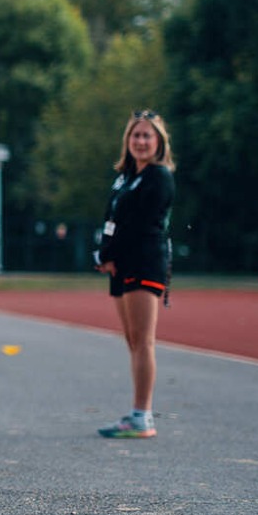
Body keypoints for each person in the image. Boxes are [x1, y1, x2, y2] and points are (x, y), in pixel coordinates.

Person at [94, 109, 176, 439]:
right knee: (132, 340)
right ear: (127, 140)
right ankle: (137, 414)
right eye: (135, 135)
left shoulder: (159, 177)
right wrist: (104, 254)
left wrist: (111, 254)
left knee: (143, 341)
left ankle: (142, 417)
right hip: (121, 264)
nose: (140, 141)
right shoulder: (125, 177)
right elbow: (112, 219)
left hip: (144, 262)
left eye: (147, 135)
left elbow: (141, 225)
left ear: (159, 142)